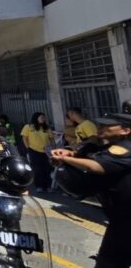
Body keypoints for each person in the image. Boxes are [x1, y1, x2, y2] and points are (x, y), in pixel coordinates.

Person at [51, 114, 131, 268]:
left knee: (109, 263)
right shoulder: (110, 144)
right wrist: (71, 151)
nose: (100, 128)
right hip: (119, 217)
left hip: (125, 221)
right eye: (100, 125)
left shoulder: (125, 149)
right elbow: (92, 145)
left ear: (125, 131)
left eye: (107, 126)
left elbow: (95, 166)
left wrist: (65, 159)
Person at [21, 112, 55, 192]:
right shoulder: (28, 127)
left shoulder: (46, 128)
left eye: (44, 117)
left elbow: (52, 139)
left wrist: (54, 148)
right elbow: (24, 138)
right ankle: (39, 185)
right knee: (37, 169)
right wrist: (28, 148)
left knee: (47, 169)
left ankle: (47, 186)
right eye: (42, 117)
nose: (44, 119)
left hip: (46, 151)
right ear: (36, 118)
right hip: (34, 150)